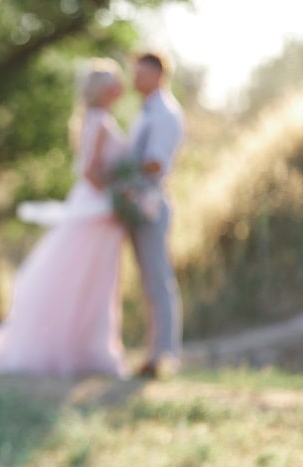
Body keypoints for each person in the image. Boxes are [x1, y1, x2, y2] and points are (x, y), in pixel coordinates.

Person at [0, 58, 129, 378]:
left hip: (95, 208)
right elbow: (90, 171)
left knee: (87, 280)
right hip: (97, 209)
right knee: (85, 280)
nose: (120, 89)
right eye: (115, 83)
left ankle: (81, 347)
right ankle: (76, 349)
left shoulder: (91, 119)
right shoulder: (100, 121)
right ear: (104, 90)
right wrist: (119, 193)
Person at [127, 52, 185, 379]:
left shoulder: (165, 113)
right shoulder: (146, 110)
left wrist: (118, 169)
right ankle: (154, 351)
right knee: (149, 281)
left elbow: (155, 162)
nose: (135, 79)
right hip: (137, 200)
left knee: (158, 279)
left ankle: (164, 354)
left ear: (158, 75)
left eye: (141, 73)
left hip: (150, 202)